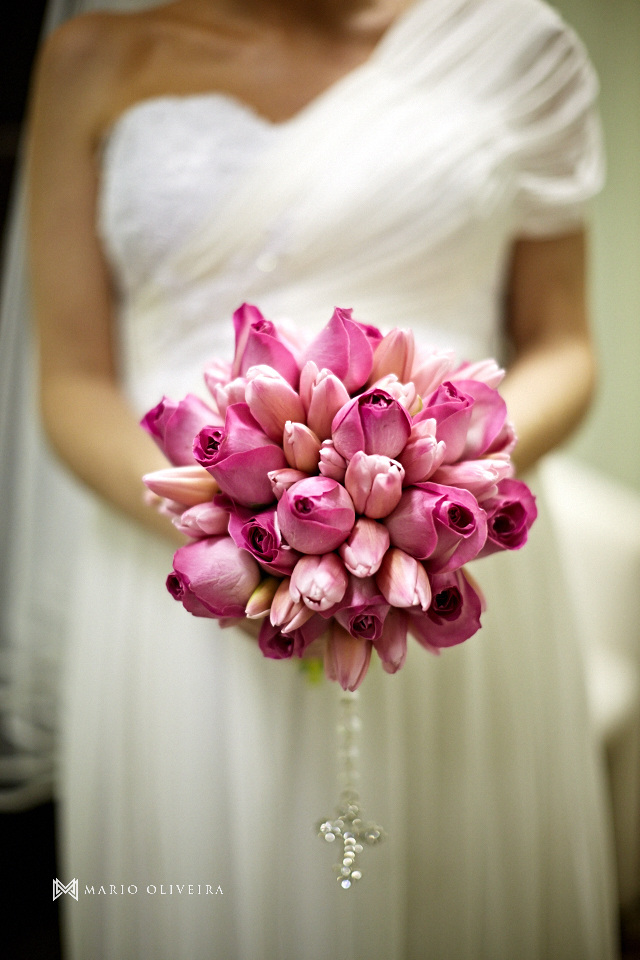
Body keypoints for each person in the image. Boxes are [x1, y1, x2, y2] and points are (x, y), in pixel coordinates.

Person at [24, 0, 616, 956]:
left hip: (445, 557)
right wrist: (231, 524)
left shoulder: (517, 43)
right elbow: (74, 381)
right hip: (176, 567)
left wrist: (441, 496)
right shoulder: (93, 56)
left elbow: (562, 346)